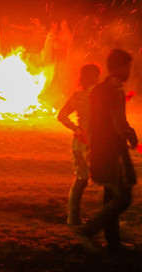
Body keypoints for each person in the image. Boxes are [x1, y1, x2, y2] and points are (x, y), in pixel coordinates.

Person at [75, 49, 138, 254]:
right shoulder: (115, 90)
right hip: (113, 150)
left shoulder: (98, 89)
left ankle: (113, 242)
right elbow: (118, 123)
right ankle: (88, 229)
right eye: (128, 67)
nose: (129, 71)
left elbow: (93, 122)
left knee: (111, 195)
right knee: (124, 196)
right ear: (120, 68)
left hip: (100, 147)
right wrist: (130, 134)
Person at [57, 64, 101, 226]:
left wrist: (76, 129)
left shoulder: (79, 96)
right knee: (109, 181)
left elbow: (61, 116)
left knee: (80, 180)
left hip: (80, 143)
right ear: (95, 77)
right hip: (92, 143)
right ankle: (106, 219)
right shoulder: (98, 96)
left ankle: (73, 217)